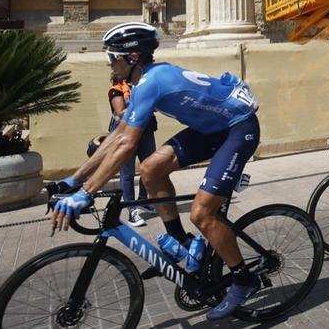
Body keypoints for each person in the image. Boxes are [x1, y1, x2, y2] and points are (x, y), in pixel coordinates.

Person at [50, 22, 264, 320]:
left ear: (133, 57)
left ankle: (243, 279)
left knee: (202, 214)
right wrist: (72, 180)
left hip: (237, 130)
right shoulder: (142, 82)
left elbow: (126, 145)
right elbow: (117, 133)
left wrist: (86, 194)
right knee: (150, 168)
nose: (109, 63)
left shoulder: (153, 81)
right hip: (210, 130)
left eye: (113, 57)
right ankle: (183, 242)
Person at [106, 76, 157, 227]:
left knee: (148, 167)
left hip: (146, 131)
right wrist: (143, 106)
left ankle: (143, 200)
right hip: (126, 134)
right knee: (127, 173)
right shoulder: (116, 91)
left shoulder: (141, 87)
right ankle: (131, 210)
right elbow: (121, 111)